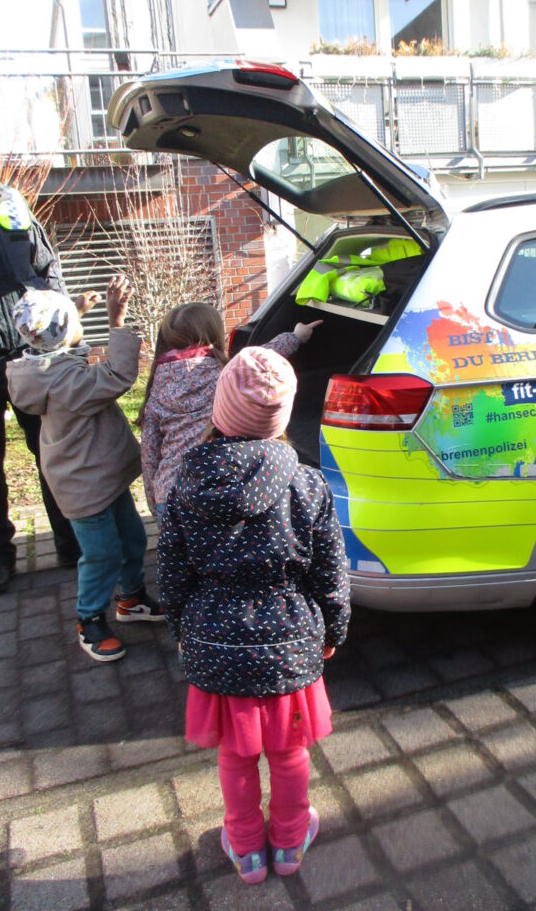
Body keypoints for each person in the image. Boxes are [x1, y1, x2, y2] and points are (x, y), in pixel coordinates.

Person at [157, 346, 350, 884]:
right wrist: (334, 629)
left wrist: (181, 632)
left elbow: (172, 576)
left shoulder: (184, 488)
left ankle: (246, 849)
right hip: (289, 642)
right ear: (281, 417)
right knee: (289, 753)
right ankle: (289, 843)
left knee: (235, 757)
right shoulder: (307, 485)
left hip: (214, 645)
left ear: (220, 413)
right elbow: (331, 572)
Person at [6, 276, 164, 663]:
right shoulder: (67, 381)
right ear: (64, 335)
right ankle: (89, 619)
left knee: (131, 539)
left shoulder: (42, 366)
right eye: (74, 319)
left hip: (99, 475)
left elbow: (60, 346)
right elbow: (118, 376)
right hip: (83, 485)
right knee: (102, 555)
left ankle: (130, 600)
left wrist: (73, 313)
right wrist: (115, 319)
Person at [0, 125, 85, 596]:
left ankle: (67, 541)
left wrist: (59, 325)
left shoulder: (10, 204)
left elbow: (47, 267)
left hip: (29, 350)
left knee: (50, 449)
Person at [138, 301, 322, 520]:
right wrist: (295, 336)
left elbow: (149, 453)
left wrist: (154, 500)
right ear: (213, 332)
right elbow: (260, 357)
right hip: (217, 490)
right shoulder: (223, 371)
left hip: (171, 494)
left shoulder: (157, 385)